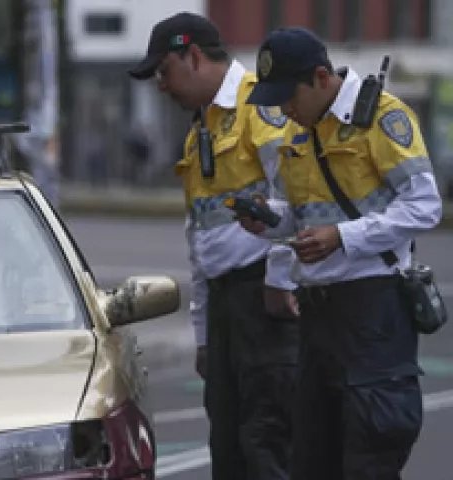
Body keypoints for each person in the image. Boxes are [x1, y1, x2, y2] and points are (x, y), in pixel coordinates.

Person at [242, 27, 443, 479]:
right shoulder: (299, 130)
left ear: (320, 78)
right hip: (316, 317)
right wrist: (270, 219)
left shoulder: (382, 119)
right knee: (312, 457)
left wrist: (344, 237)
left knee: (370, 454)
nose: (283, 109)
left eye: (288, 95)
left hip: (372, 312)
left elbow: (424, 205)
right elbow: (302, 213)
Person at [128, 12, 299, 480]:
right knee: (226, 445)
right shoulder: (200, 129)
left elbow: (296, 197)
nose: (161, 85)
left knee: (267, 440)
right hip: (226, 307)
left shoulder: (258, 106)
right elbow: (201, 238)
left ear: (195, 56)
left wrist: (279, 279)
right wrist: (203, 336)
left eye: (164, 70)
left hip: (262, 299)